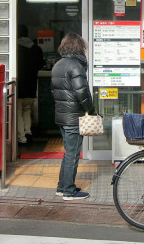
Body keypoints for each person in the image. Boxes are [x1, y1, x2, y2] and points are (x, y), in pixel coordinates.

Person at [51, 33, 95, 201]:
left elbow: (54, 92)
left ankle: (62, 187)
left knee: (68, 153)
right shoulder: (75, 66)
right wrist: (91, 110)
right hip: (73, 117)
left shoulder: (58, 65)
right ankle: (69, 191)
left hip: (62, 117)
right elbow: (82, 92)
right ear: (79, 47)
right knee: (72, 154)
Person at [16, 25, 45, 145]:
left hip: (19, 86)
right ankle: (28, 132)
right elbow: (41, 64)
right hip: (31, 85)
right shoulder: (36, 48)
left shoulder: (14, 48)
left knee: (18, 112)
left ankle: (22, 137)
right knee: (27, 109)